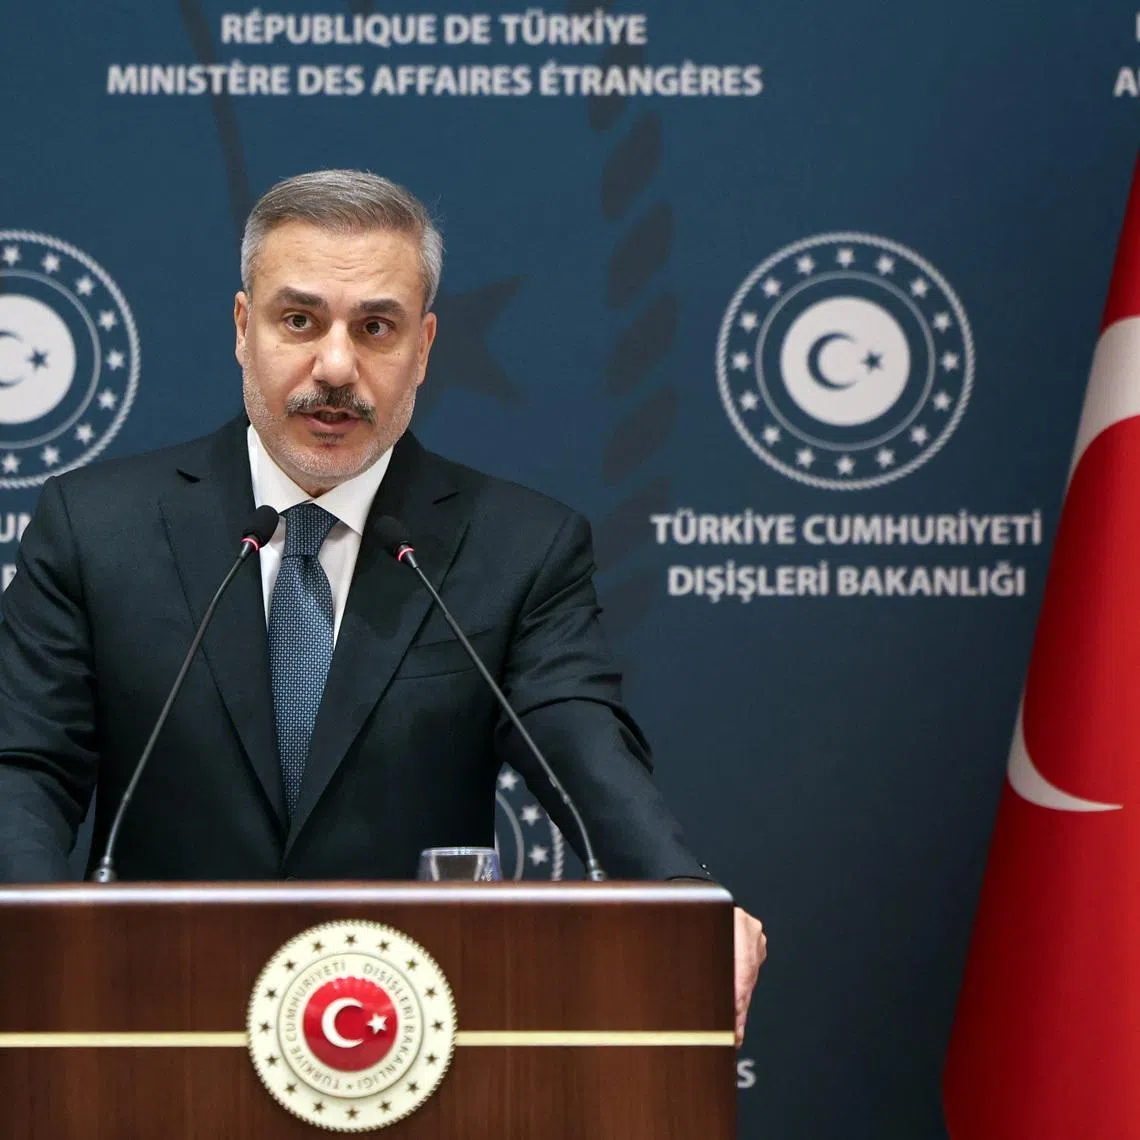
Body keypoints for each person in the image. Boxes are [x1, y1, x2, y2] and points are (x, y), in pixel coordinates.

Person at [0, 170, 766, 1042]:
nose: (335, 368)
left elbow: (585, 759)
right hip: (149, 1021)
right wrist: (36, 943)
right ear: (244, 329)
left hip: (410, 1039)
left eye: (375, 328)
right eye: (300, 321)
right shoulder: (97, 528)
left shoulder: (518, 548)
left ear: (424, 346)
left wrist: (682, 900)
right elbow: (24, 766)